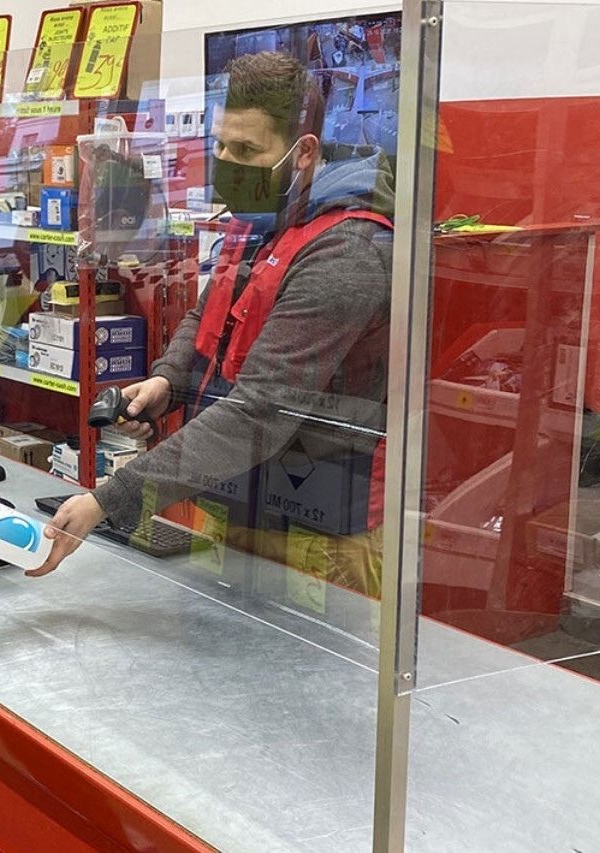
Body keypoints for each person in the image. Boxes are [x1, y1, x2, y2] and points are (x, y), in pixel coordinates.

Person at [34, 52, 395, 584]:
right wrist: (167, 380)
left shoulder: (347, 251)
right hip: (239, 493)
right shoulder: (262, 218)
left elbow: (260, 410)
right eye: (222, 143)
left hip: (323, 523)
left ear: (303, 153)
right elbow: (214, 311)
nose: (227, 160)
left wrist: (112, 498)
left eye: (246, 149)